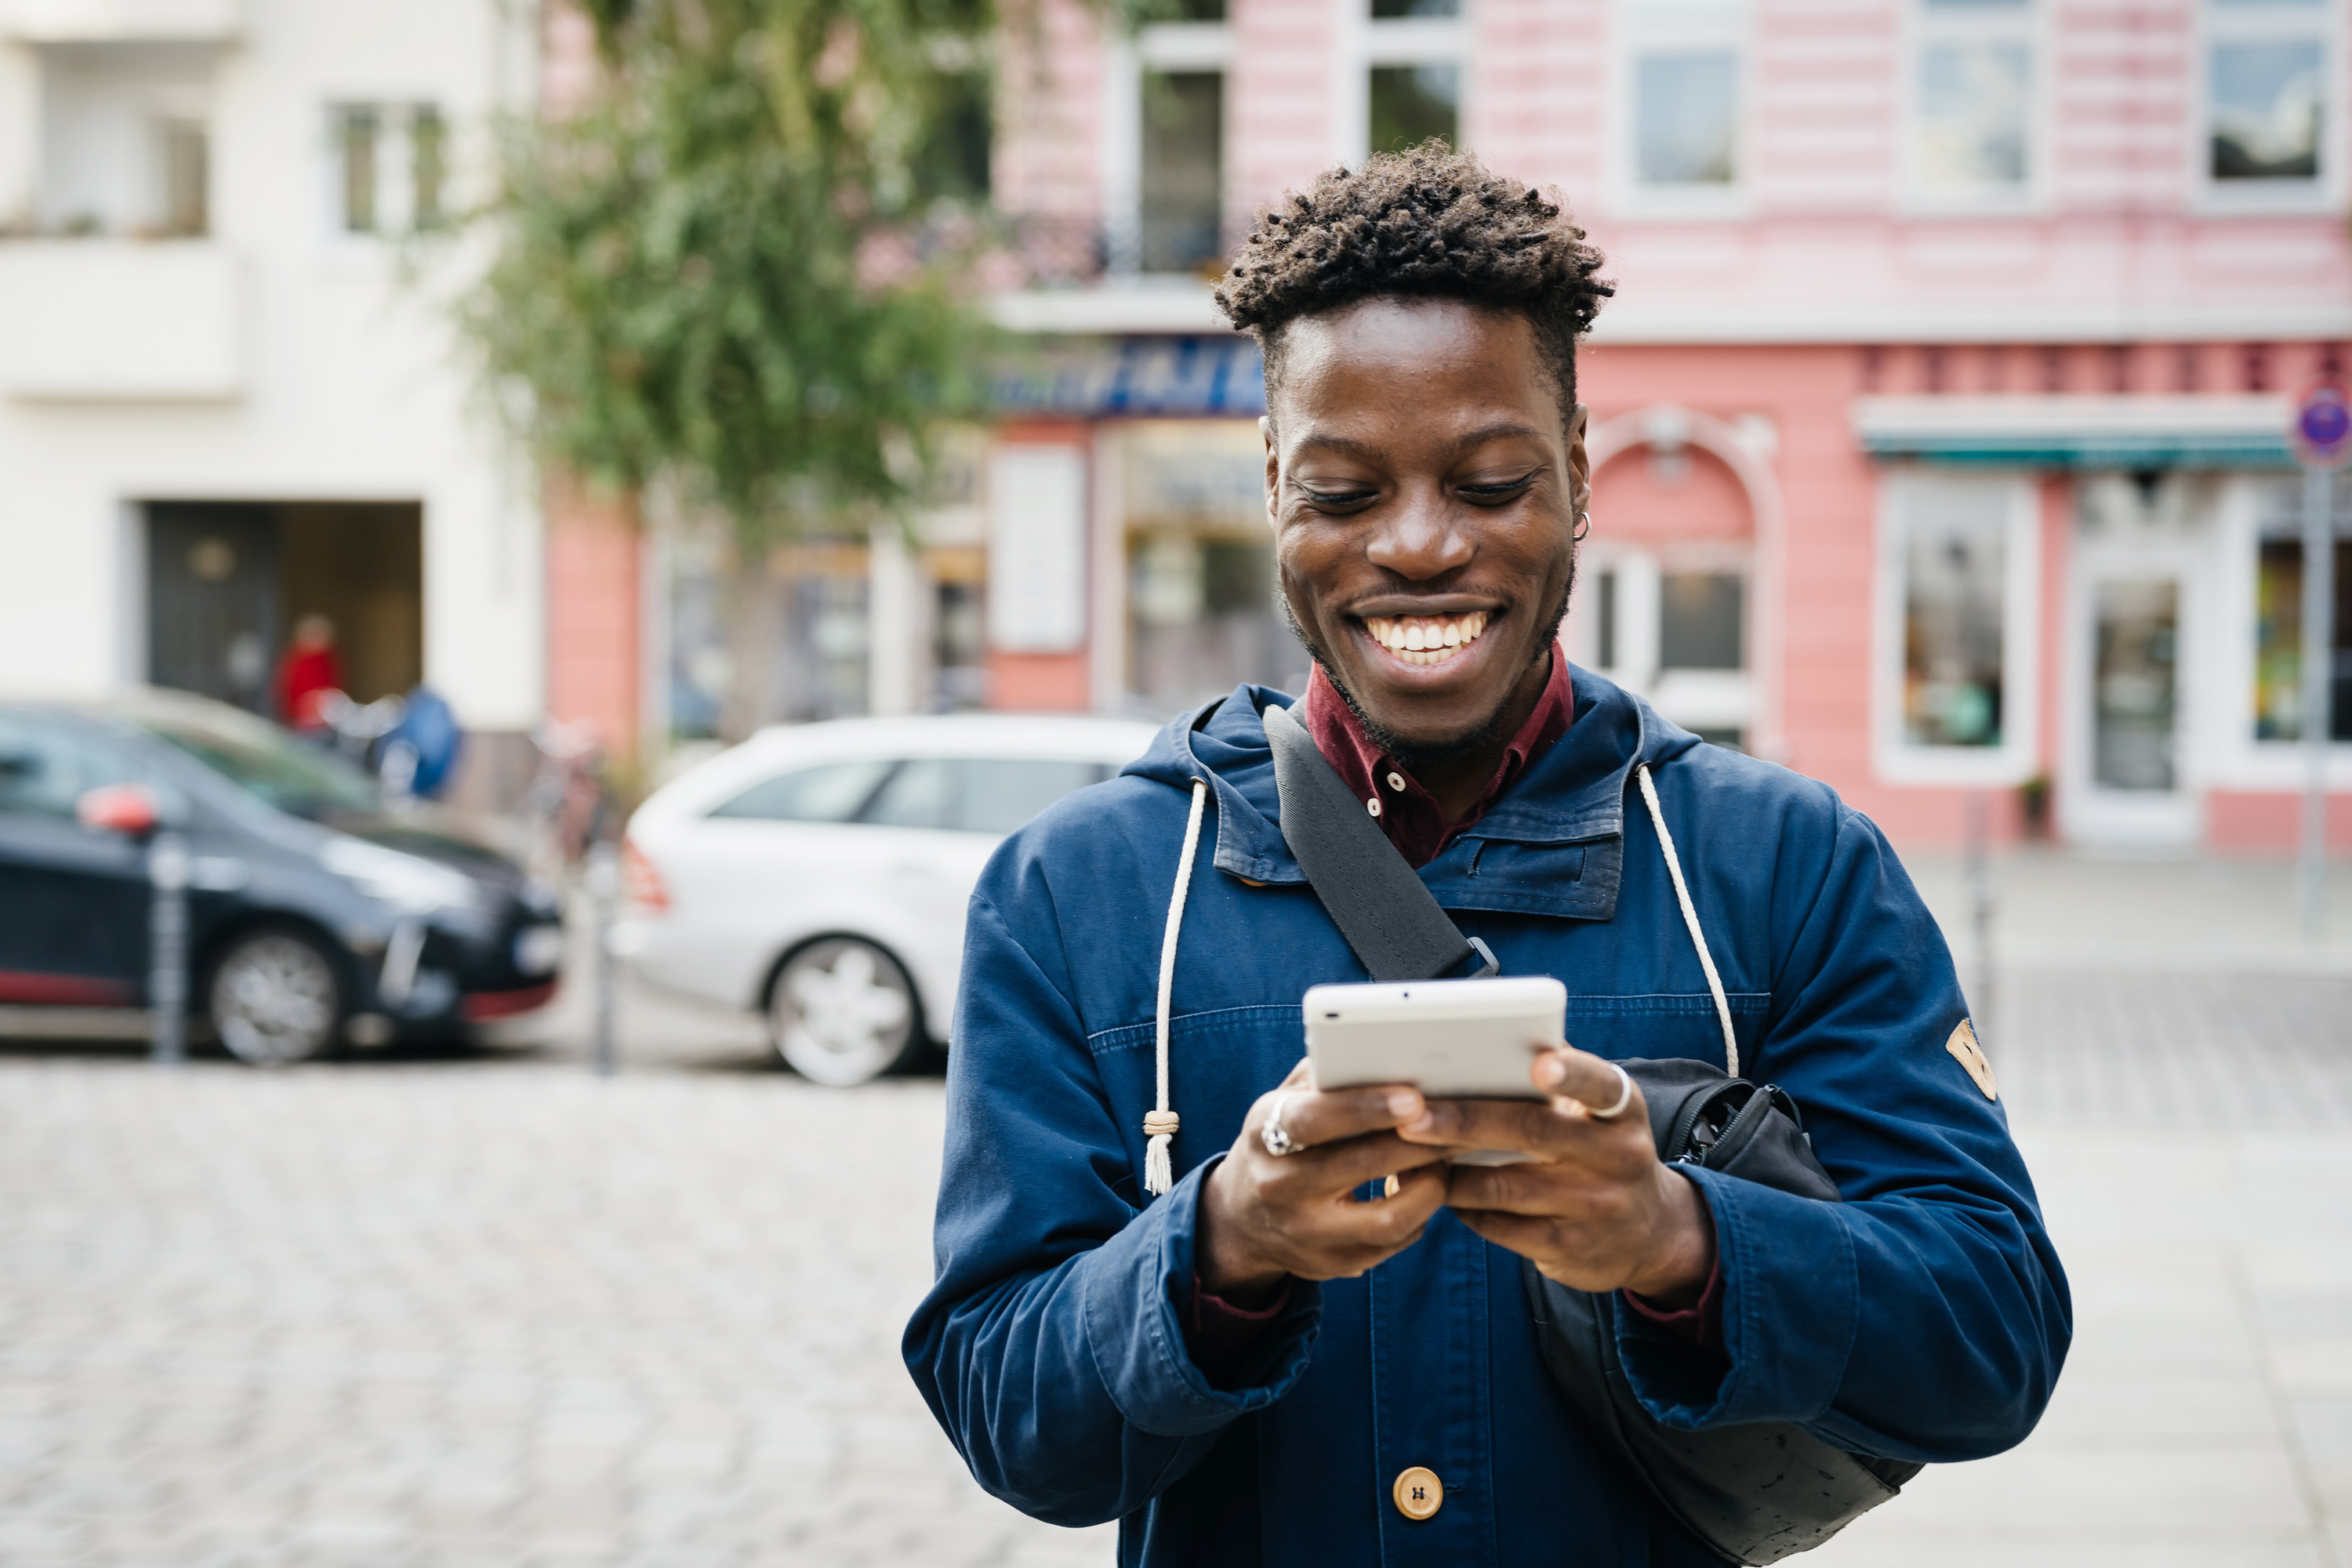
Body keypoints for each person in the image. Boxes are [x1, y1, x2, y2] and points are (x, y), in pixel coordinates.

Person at [905, 145, 2069, 1566]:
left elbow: (1995, 1335)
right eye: (1344, 491)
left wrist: (1681, 1243)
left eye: (1492, 479)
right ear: (1274, 486)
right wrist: (1221, 1248)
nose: (1417, 545)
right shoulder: (1070, 895)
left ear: (1578, 477)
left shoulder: (1788, 868)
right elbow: (1002, 1409)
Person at [274, 614, 343, 732]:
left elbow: (334, 687)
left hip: (324, 718)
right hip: (299, 719)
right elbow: (285, 688)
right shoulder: (295, 657)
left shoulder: (328, 659)